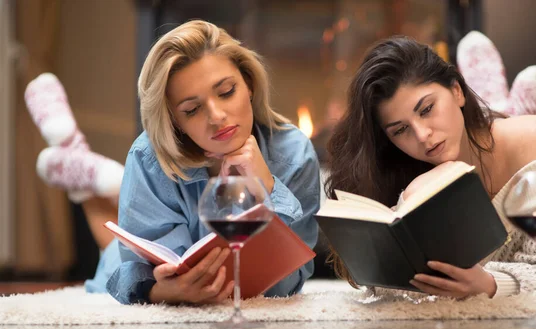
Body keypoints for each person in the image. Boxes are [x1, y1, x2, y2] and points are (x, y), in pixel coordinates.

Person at [25, 20, 320, 305]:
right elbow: (128, 274)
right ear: (175, 122)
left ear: (250, 84)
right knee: (112, 252)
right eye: (192, 110)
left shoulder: (293, 154)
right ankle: (84, 174)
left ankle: (86, 168)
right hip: (129, 244)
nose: (217, 116)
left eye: (227, 91)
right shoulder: (148, 158)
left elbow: (290, 283)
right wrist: (161, 293)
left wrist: (267, 188)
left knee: (118, 230)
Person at [324, 36, 536, 299]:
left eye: (426, 109)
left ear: (457, 90)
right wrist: (409, 198)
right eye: (400, 129)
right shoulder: (399, 173)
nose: (422, 135)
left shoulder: (531, 138)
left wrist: (489, 284)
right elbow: (383, 291)